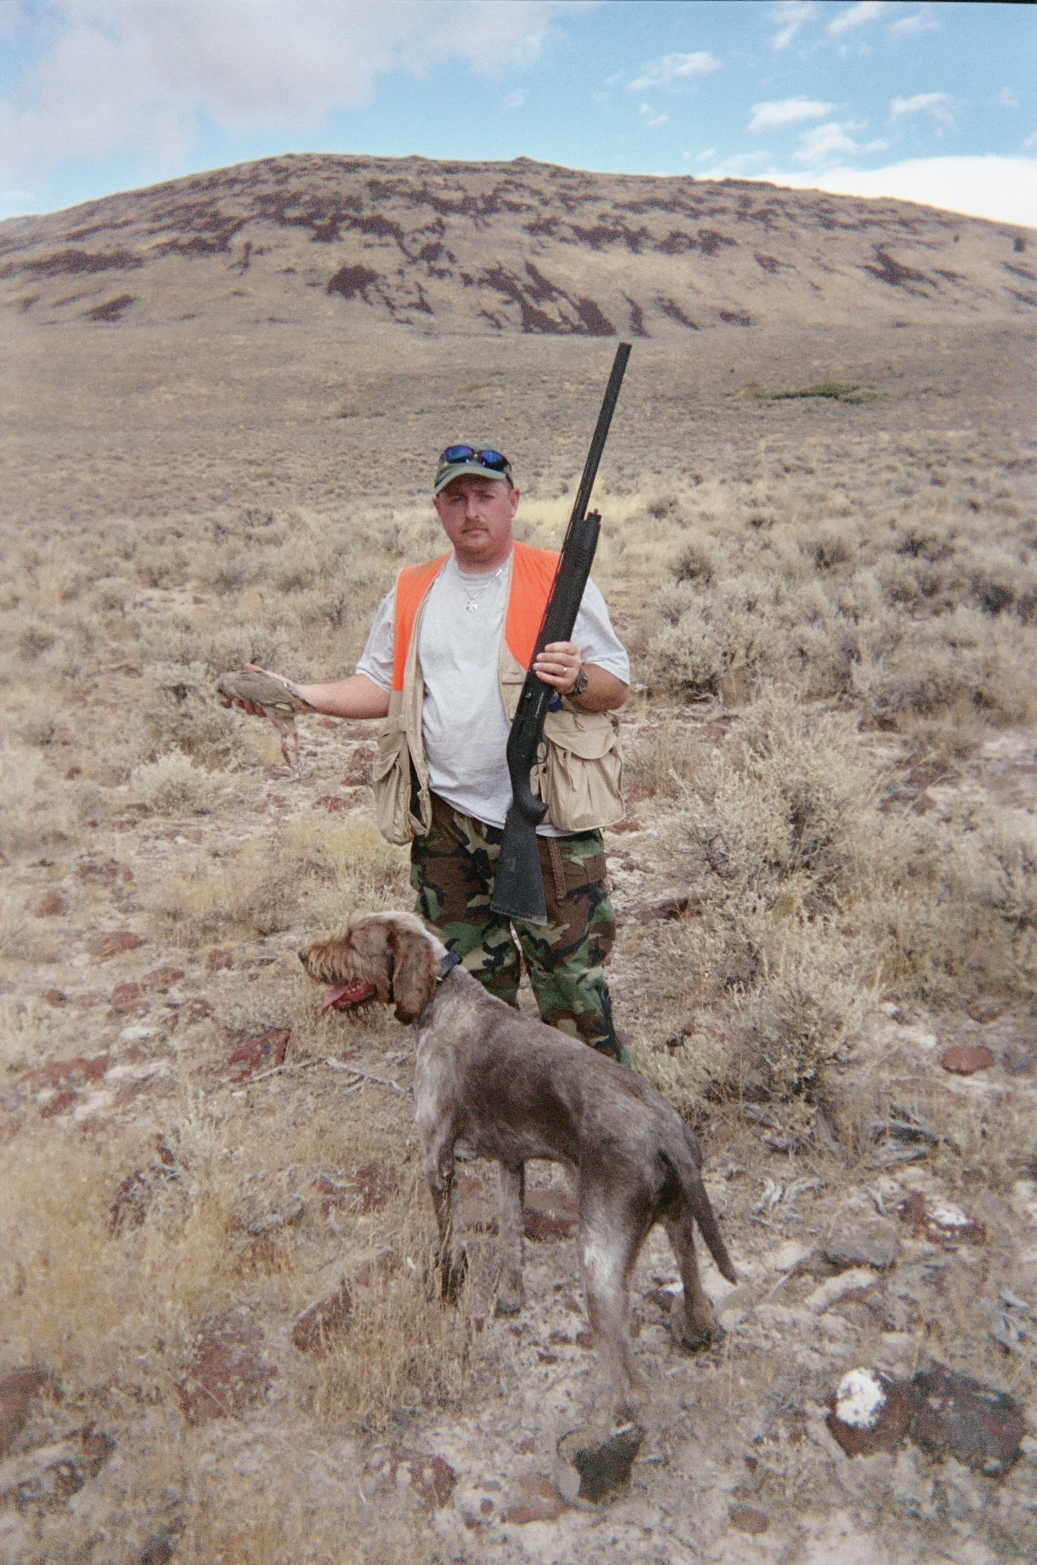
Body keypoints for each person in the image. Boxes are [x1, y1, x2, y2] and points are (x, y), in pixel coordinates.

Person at [234, 444, 631, 1058]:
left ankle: (603, 1129)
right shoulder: (413, 588)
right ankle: (489, 1114)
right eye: (456, 498)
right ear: (439, 508)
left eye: (486, 496)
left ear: (513, 502)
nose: (472, 511)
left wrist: (577, 679)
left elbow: (615, 687)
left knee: (571, 994)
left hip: (546, 822)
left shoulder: (558, 579)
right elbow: (379, 686)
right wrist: (300, 696)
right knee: (468, 993)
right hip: (446, 825)